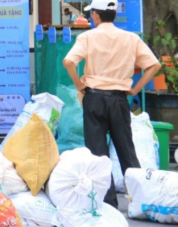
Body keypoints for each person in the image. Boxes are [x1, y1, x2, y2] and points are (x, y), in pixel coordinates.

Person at [62, 0, 160, 208]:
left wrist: (79, 84)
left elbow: (69, 61)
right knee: (126, 150)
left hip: (94, 98)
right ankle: (143, 202)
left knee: (98, 153)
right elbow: (154, 65)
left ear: (96, 15)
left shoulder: (87, 36)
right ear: (113, 14)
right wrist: (134, 89)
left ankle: (108, 205)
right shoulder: (131, 38)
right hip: (119, 98)